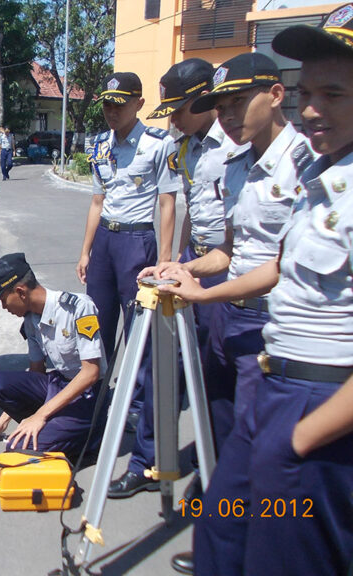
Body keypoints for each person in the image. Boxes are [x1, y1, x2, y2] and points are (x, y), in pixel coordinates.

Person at [160, 9, 353, 575]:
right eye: (307, 91)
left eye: (334, 94)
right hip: (272, 382)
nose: (311, 109)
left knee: (285, 555)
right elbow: (276, 263)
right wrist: (192, 283)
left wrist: (297, 441)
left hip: (319, 404)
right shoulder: (324, 178)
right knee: (221, 530)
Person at [140, 52, 312, 575]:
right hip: (229, 320)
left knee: (264, 456)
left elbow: (285, 266)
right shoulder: (239, 165)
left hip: (268, 325)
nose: (228, 115)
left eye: (240, 101)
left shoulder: (306, 162)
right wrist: (180, 267)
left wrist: (203, 294)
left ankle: (251, 546)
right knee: (221, 435)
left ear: (277, 94)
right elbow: (231, 255)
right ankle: (227, 537)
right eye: (222, 106)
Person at [111, 59, 248, 503]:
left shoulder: (238, 145)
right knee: (159, 367)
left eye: (179, 108)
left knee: (217, 379)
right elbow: (191, 212)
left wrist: (194, 266)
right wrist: (175, 261)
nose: (171, 118)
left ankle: (220, 482)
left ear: (205, 99)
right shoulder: (185, 147)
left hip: (231, 270)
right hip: (196, 260)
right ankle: (150, 461)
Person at [76, 71, 179, 497]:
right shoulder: (100, 144)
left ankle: (138, 420)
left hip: (138, 241)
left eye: (120, 102)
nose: (112, 109)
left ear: (138, 103)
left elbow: (168, 202)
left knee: (140, 339)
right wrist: (85, 251)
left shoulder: (159, 144)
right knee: (95, 329)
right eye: (107, 102)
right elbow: (97, 201)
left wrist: (167, 260)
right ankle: (94, 415)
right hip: (105, 242)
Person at [0, 253, 108, 462]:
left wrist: (40, 415)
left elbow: (91, 373)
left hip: (88, 397)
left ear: (20, 292)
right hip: (58, 385)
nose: (4, 307)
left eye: (3, 300)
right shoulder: (31, 319)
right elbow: (37, 371)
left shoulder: (78, 307)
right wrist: (3, 420)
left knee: (18, 448)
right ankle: (50, 426)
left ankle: (89, 437)